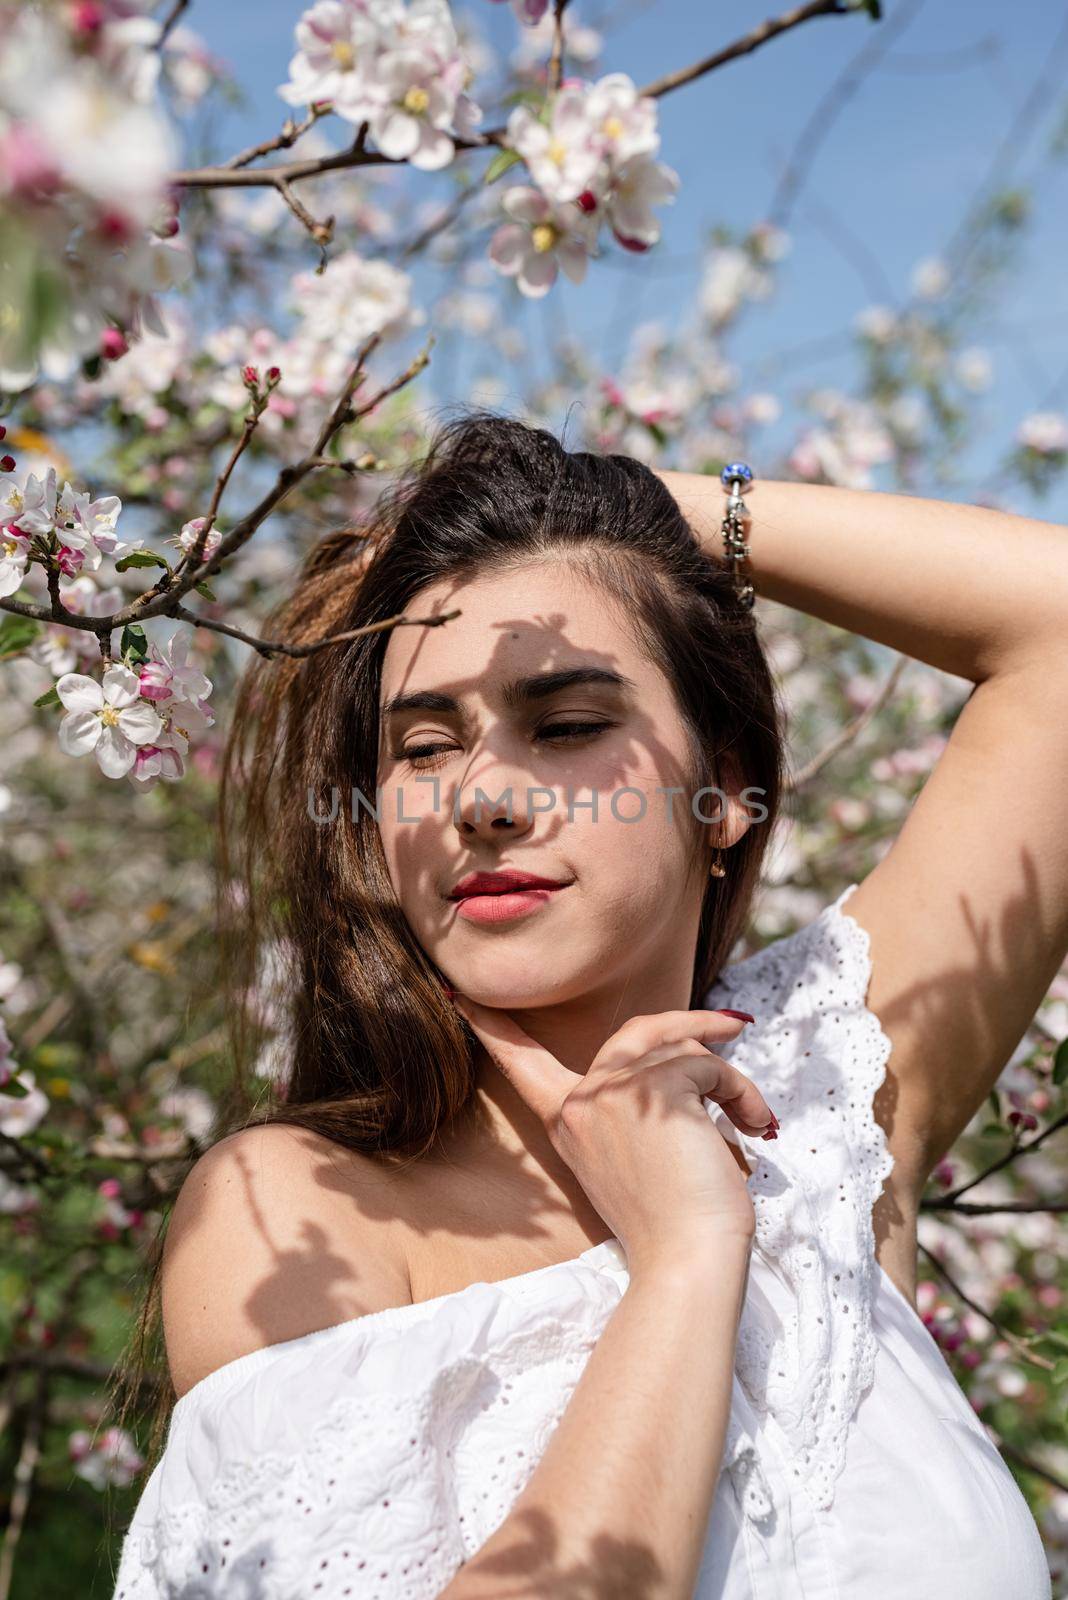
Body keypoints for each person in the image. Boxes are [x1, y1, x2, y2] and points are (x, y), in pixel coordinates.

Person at [109, 409, 1062, 1598]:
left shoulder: (820, 1108)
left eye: (564, 724)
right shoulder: (296, 1211)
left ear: (721, 792)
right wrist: (683, 1256)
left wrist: (616, 509)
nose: (483, 797)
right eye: (421, 747)